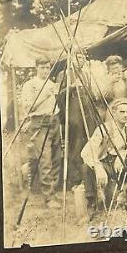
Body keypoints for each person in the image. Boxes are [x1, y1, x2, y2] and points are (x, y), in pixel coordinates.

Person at [81, 98, 127, 215]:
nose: (125, 115)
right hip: (105, 165)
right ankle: (91, 203)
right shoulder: (103, 129)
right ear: (114, 113)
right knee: (85, 167)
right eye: (122, 112)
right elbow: (86, 152)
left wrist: (124, 154)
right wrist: (98, 167)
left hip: (121, 166)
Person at [21, 56, 62, 209]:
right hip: (39, 122)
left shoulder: (52, 83)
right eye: (42, 67)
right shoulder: (29, 85)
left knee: (56, 157)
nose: (45, 70)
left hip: (54, 120)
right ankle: (48, 197)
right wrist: (45, 96)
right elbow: (28, 108)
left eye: (47, 67)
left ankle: (54, 189)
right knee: (44, 159)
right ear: (36, 68)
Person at [57, 49, 100, 188]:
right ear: (72, 59)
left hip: (87, 114)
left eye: (83, 58)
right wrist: (71, 87)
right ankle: (75, 179)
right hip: (74, 116)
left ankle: (89, 177)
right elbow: (59, 95)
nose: (80, 61)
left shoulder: (86, 74)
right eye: (78, 58)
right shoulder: (64, 74)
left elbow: (91, 94)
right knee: (75, 145)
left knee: (90, 143)